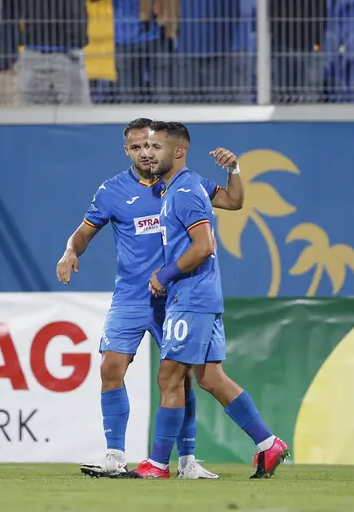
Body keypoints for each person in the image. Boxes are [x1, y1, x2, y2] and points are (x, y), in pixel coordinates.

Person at [56, 117, 244, 479]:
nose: (145, 152)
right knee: (111, 368)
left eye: (150, 145)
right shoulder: (111, 191)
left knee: (181, 378)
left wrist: (234, 169)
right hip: (130, 296)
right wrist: (69, 252)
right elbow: (83, 232)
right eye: (136, 147)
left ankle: (187, 461)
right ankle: (115, 455)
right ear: (126, 150)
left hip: (172, 297)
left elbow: (233, 201)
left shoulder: (182, 184)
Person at [122, 121, 287, 480]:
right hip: (203, 295)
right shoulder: (187, 185)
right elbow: (235, 201)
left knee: (169, 376)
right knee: (211, 377)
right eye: (145, 147)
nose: (149, 154)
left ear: (179, 151)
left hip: (191, 296)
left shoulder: (183, 191)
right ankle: (268, 443)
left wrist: (164, 275)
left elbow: (204, 246)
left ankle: (157, 464)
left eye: (157, 147)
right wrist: (234, 170)